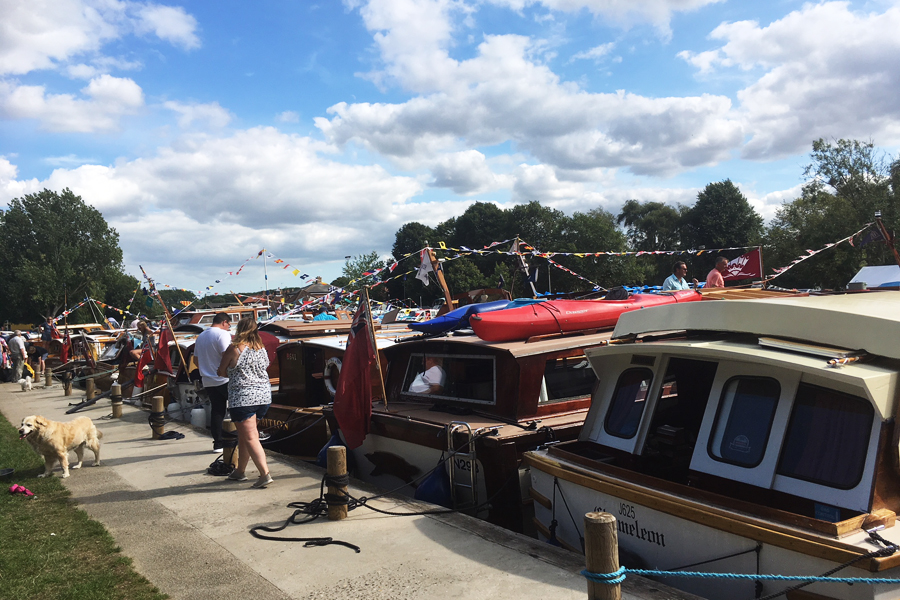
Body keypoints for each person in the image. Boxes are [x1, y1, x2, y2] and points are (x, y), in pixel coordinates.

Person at [218, 317, 273, 488]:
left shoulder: (234, 349)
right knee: (245, 435)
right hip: (263, 396)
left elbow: (221, 371)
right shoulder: (261, 348)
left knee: (250, 437)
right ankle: (240, 471)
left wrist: (234, 376)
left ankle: (265, 474)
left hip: (243, 398)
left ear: (239, 330)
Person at [195, 313, 232, 453]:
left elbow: (195, 361)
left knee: (217, 411)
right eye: (229, 324)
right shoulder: (222, 334)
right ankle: (240, 439)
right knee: (237, 408)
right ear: (224, 322)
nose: (229, 327)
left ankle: (218, 444)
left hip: (208, 380)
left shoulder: (201, 336)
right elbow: (227, 355)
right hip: (224, 378)